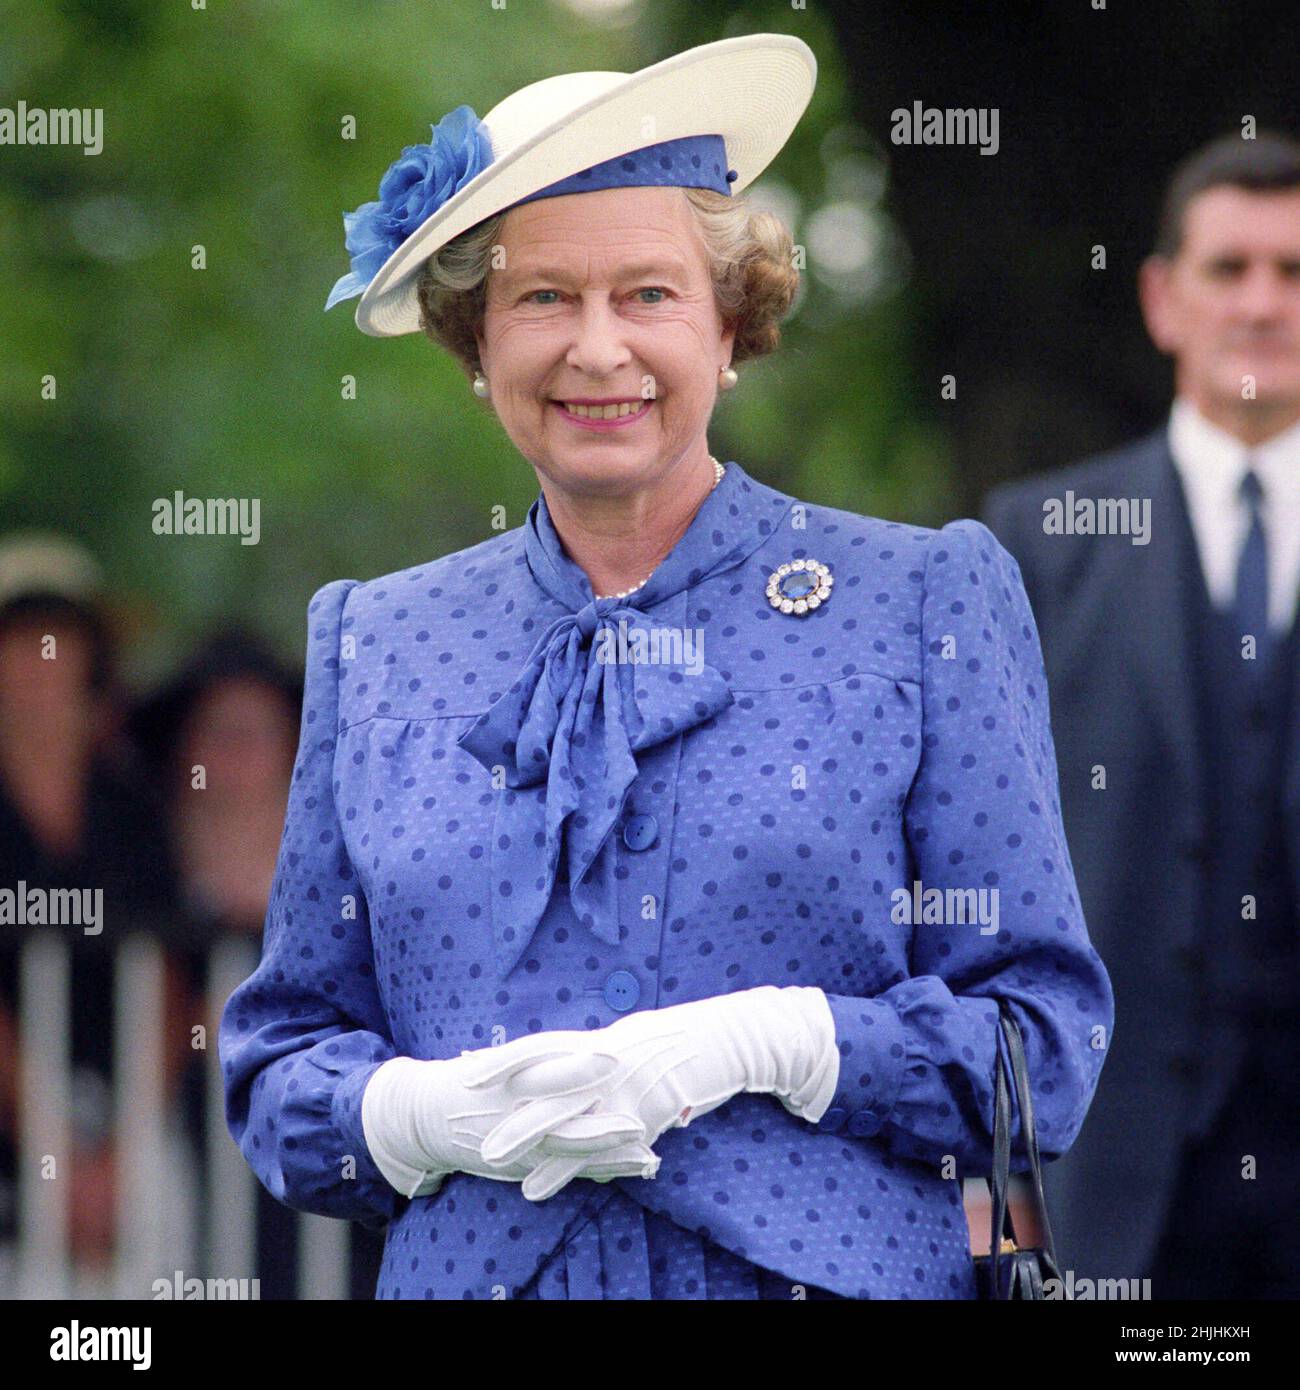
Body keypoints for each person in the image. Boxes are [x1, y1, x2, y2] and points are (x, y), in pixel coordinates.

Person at [220, 33, 1113, 1301]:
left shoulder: (918, 597)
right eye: (542, 300)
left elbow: (1042, 1045)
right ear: (473, 346)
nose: (597, 350)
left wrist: (782, 1042)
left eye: (647, 294)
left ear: (731, 327)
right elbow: (277, 1061)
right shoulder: (375, 637)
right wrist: (413, 1115)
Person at [983, 131, 1300, 1298]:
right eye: (1229, 269)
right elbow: (979, 877)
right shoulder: (1033, 541)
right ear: (1165, 299)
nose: (1263, 303)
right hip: (1106, 1181)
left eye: (1293, 271)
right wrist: (996, 1182)